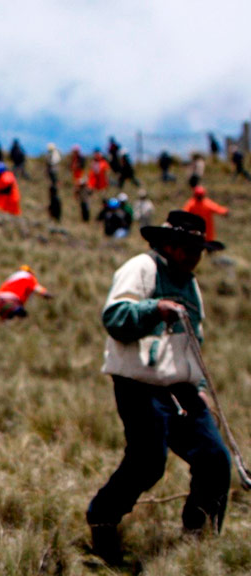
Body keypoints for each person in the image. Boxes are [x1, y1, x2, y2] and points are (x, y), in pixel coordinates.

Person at [86, 210, 229, 565]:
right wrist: (154, 308)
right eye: (188, 248)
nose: (195, 256)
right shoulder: (141, 269)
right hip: (140, 385)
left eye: (198, 250)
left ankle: (197, 536)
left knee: (214, 459)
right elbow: (115, 318)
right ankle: (103, 521)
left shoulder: (190, 283)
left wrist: (197, 383)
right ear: (169, 245)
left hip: (181, 389)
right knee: (147, 462)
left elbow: (193, 340)